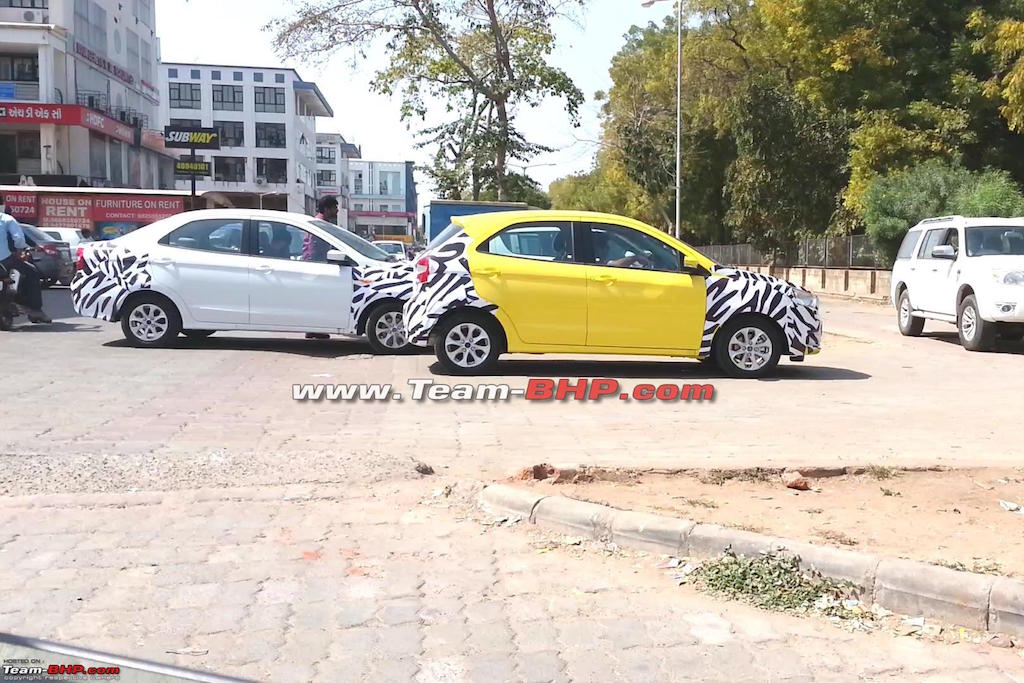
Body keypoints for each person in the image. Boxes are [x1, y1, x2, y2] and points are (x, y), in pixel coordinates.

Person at [0, 193, 51, 324]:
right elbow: (19, 239)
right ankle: (36, 310)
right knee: (32, 272)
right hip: (5, 259)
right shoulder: (7, 219)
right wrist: (19, 250)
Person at [304, 196, 341, 340]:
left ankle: (314, 329)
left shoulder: (322, 223)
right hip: (316, 265)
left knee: (317, 298)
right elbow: (313, 247)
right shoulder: (319, 224)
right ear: (327, 209)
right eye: (334, 207)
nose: (337, 210)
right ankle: (313, 329)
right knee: (317, 298)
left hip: (318, 264)